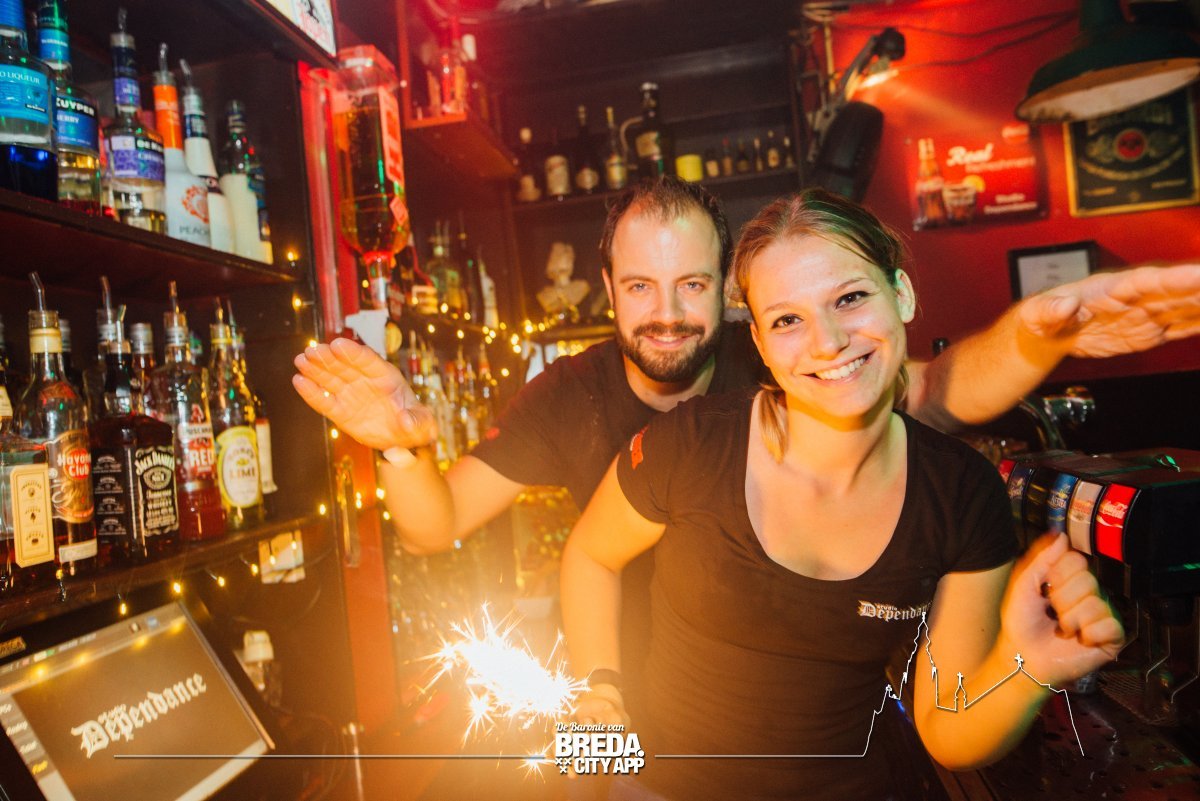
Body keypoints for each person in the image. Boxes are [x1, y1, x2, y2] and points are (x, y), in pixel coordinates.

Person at [291, 176, 1200, 560]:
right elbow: (437, 524)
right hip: (629, 703)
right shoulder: (565, 396)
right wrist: (402, 447)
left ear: (728, 290)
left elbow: (934, 390)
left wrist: (1043, 334)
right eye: (641, 286)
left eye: (692, 284)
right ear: (608, 291)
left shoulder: (778, 351)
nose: (667, 312)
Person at [560, 189, 1125, 801]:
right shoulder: (688, 444)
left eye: (850, 298)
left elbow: (949, 735)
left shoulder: (961, 493)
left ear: (901, 294)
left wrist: (1031, 667)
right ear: (760, 345)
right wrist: (599, 695)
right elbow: (590, 555)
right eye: (787, 320)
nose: (827, 341)